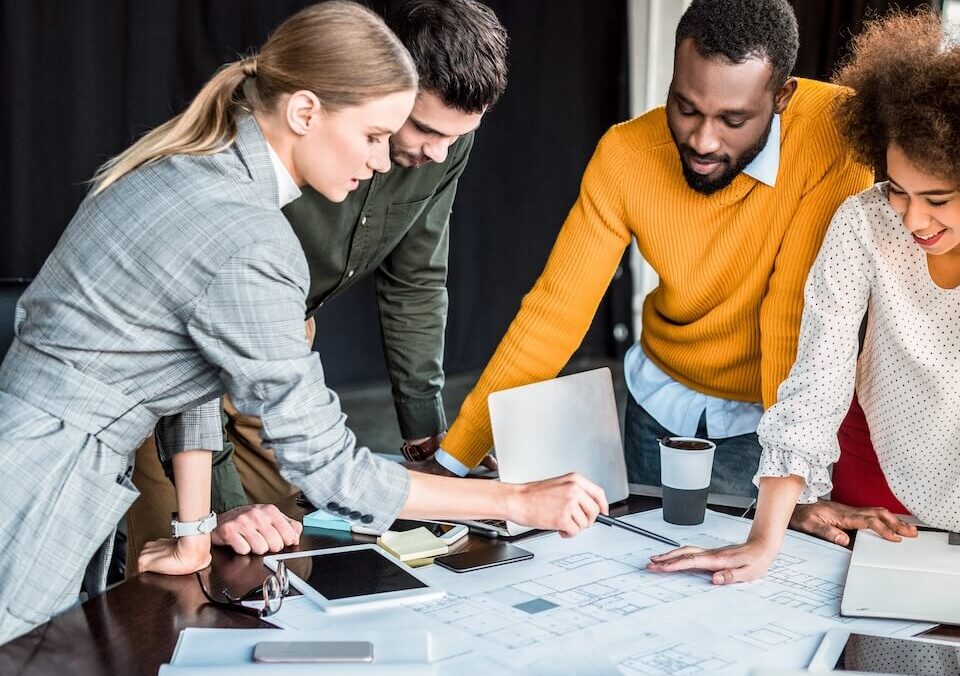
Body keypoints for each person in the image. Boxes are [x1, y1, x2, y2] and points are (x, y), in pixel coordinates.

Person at [0, 0, 603, 645]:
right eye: (373, 136)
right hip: (45, 483)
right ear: (305, 112)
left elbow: (191, 372)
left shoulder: (197, 169)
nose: (381, 162)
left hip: (42, 455)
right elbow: (328, 468)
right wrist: (516, 501)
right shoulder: (251, 234)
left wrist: (195, 532)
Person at [647, 11, 960, 585]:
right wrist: (763, 538)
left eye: (937, 199)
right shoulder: (865, 221)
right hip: (871, 459)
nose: (912, 218)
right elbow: (818, 377)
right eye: (899, 189)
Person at [123, 0, 511, 573]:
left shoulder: (443, 145)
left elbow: (416, 277)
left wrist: (426, 438)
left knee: (288, 558)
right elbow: (197, 348)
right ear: (381, 85)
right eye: (423, 128)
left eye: (458, 137)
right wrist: (220, 511)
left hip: (283, 351)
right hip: (176, 363)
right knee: (187, 582)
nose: (438, 154)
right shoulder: (253, 155)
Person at [429, 0, 873, 498]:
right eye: (686, 108)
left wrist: (795, 483)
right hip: (658, 405)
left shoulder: (838, 133)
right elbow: (554, 313)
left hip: (770, 422)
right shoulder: (625, 157)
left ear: (782, 96)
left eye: (733, 119)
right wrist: (456, 461)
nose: (703, 141)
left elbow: (794, 314)